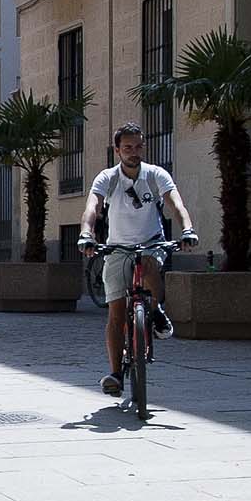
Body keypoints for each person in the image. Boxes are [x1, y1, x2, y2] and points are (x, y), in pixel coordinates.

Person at [77, 122, 198, 396]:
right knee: (116, 313)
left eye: (138, 146)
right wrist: (86, 233)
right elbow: (92, 207)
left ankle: (154, 311)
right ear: (117, 150)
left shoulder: (156, 175)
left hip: (151, 241)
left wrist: (187, 229)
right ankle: (115, 374)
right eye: (128, 147)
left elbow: (175, 203)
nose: (134, 152)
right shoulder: (107, 178)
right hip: (117, 247)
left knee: (149, 264)